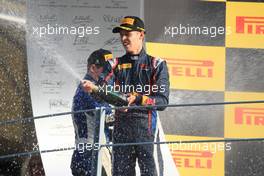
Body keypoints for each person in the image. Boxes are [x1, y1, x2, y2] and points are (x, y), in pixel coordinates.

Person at [82, 16, 170, 176]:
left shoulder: (157, 64)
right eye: (121, 34)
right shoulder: (114, 64)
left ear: (141, 35)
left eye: (127, 34)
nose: (123, 38)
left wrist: (138, 98)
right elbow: (102, 95)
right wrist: (94, 89)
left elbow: (162, 101)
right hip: (122, 132)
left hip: (147, 130)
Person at [71, 49, 113, 176]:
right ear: (93, 68)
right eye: (106, 71)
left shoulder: (89, 88)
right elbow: (108, 115)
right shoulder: (87, 90)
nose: (109, 76)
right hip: (93, 156)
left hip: (83, 154)